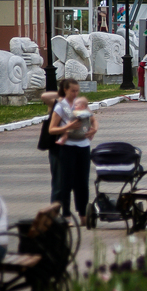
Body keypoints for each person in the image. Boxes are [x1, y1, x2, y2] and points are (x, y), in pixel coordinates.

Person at [47, 79, 95, 219]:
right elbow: (52, 129)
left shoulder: (81, 104)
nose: (75, 93)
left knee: (82, 182)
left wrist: (94, 129)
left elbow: (93, 119)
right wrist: (67, 127)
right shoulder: (60, 106)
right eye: (72, 90)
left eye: (77, 91)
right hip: (67, 148)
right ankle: (66, 215)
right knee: (66, 183)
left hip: (83, 146)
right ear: (65, 90)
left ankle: (83, 214)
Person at [39, 90, 62, 204]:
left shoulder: (77, 105)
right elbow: (44, 96)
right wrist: (62, 94)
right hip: (57, 148)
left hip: (75, 147)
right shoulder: (56, 104)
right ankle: (55, 211)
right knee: (58, 183)